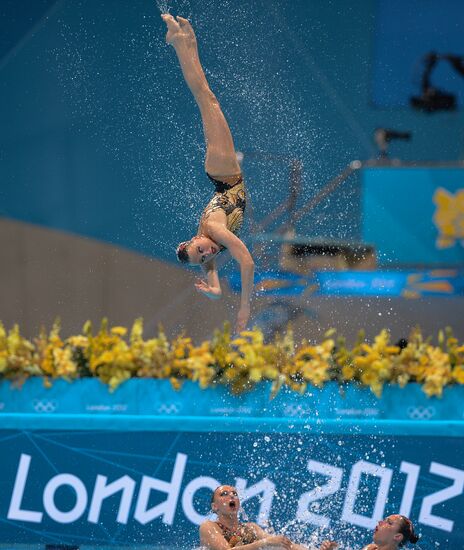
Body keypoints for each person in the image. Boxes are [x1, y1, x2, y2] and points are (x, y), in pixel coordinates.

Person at [161, 14, 254, 333]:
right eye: (204, 256)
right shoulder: (208, 244)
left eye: (200, 250)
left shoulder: (215, 230)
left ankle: (180, 42)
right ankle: (184, 40)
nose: (208, 253)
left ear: (194, 239)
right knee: (206, 97)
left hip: (225, 172)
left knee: (206, 98)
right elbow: (209, 263)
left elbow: (247, 261)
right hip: (221, 173)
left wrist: (244, 309)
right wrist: (213, 288)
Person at [200, 485, 309, 549]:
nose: (232, 495)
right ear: (214, 507)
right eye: (224, 494)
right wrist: (264, 543)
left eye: (234, 494)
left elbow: (285, 545)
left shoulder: (250, 528)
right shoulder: (209, 527)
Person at [319, 514, 419, 550]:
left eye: (389, 522)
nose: (380, 522)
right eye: (384, 519)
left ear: (397, 537)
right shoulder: (371, 548)